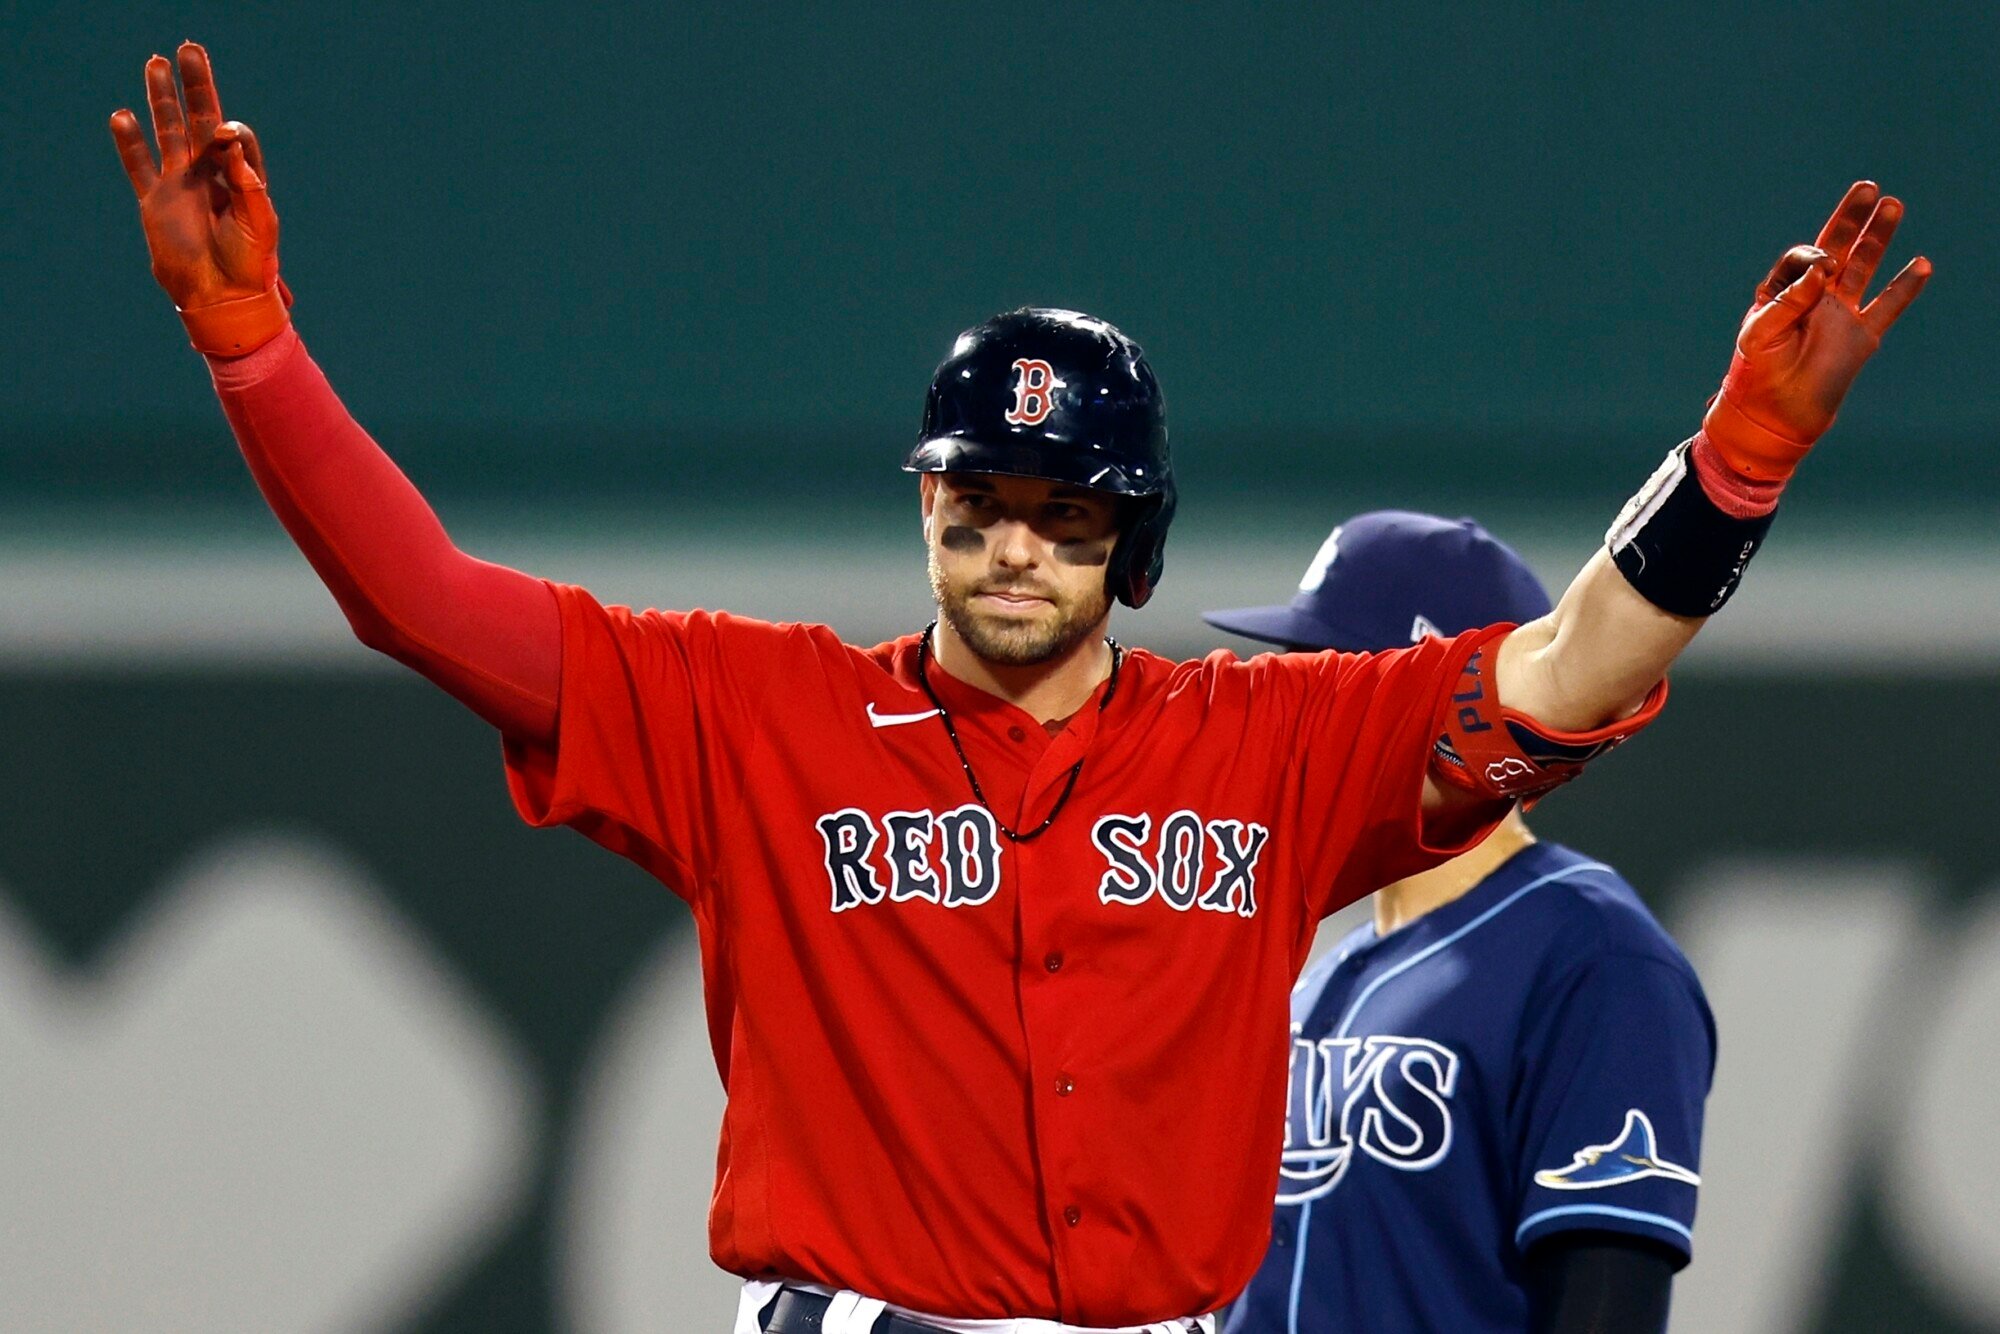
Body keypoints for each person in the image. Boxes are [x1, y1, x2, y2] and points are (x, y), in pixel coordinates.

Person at [108, 42, 1927, 1333]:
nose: (1012, 546)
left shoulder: (1267, 748)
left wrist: (1739, 457)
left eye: (1065, 514)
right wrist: (253, 347)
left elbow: (1565, 667)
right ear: (925, 506)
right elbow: (419, 598)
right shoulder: (757, 717)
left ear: (1133, 545)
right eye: (978, 501)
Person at [1205, 512, 1712, 1334]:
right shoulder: (1320, 972)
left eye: (1325, 685)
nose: (1295, 718)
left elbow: (1605, 1297)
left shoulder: (1592, 953)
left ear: (1436, 702)